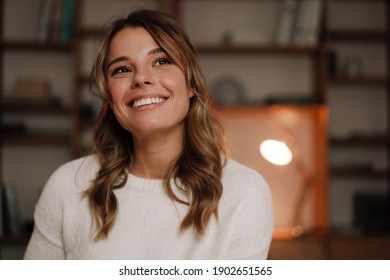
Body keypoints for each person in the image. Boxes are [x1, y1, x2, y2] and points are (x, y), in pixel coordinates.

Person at [24, 9, 273, 260]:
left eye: (162, 61)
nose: (141, 78)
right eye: (122, 69)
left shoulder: (244, 192)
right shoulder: (68, 185)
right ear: (109, 97)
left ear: (191, 84)